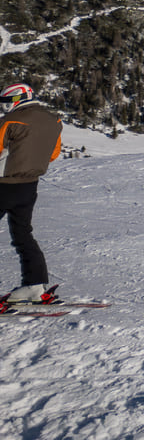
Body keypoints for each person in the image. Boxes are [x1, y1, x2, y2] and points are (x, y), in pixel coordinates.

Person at [0, 83, 63, 303]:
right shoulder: (53, 120)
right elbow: (53, 154)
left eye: (6, 103)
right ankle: (34, 285)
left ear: (18, 99)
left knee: (22, 234)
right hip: (29, 186)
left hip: (3, 183)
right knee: (23, 234)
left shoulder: (10, 121)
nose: (4, 108)